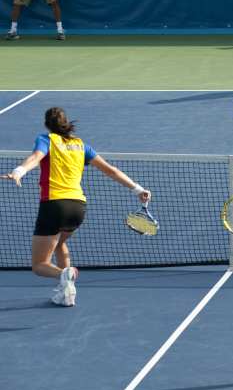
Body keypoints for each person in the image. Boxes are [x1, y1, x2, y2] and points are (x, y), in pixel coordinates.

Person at [1, 107, 151, 306]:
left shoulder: (46, 139)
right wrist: (137, 189)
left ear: (47, 125)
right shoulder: (81, 146)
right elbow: (111, 171)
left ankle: (65, 274)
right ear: (66, 122)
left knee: (39, 265)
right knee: (60, 243)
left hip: (54, 205)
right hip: (78, 208)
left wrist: (19, 171)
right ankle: (67, 293)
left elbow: (36, 157)